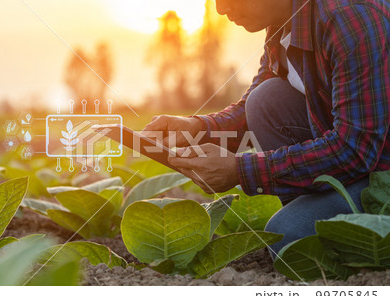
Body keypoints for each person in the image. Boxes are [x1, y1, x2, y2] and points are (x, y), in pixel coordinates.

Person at [143, 0, 389, 258]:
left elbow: (355, 149)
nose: (221, 9)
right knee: (265, 98)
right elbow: (251, 107)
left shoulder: (351, 17)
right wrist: (194, 128)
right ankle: (323, 209)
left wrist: (239, 171)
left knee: (288, 239)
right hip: (358, 162)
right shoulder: (283, 23)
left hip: (381, 171)